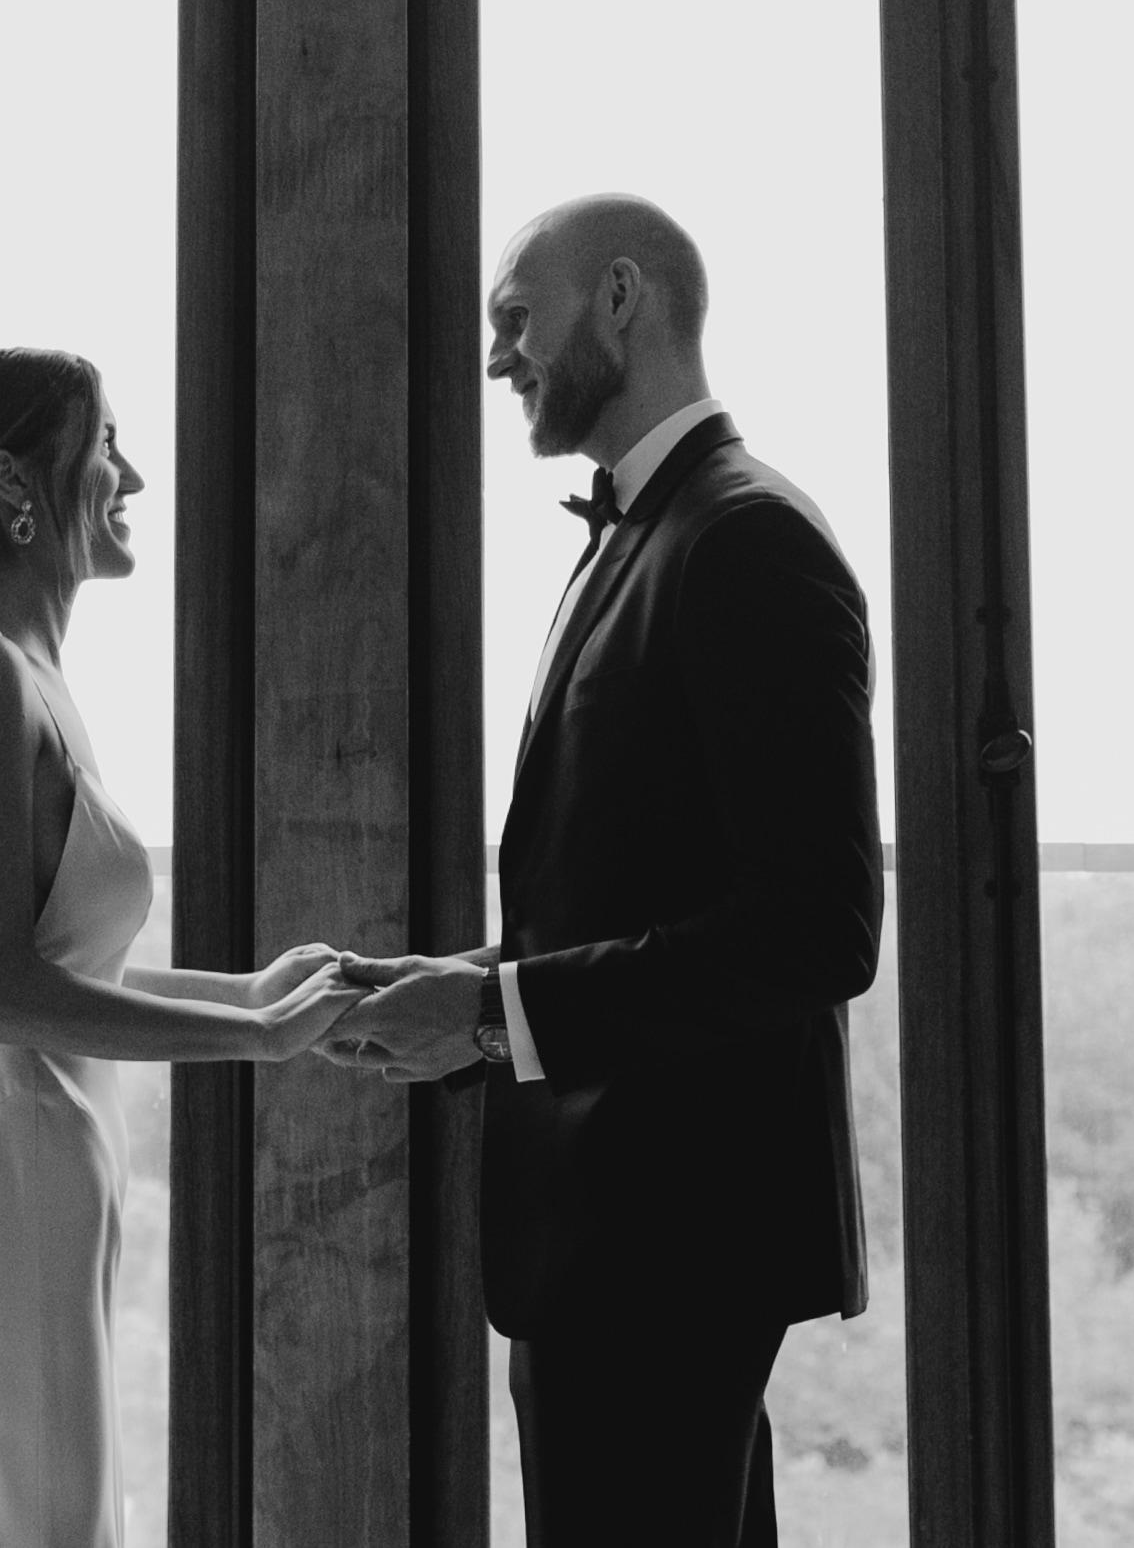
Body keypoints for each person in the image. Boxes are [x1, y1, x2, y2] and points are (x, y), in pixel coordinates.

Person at [329, 197, 883, 1548]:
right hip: (615, 1235)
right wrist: (463, 982)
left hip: (670, 1237)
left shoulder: (747, 537)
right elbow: (634, 889)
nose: (496, 357)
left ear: (621, 296)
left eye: (515, 317)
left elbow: (817, 928)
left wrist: (490, 1014)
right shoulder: (646, 533)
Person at [0, 344, 356, 1548]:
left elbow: (59, 963)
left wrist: (247, 988)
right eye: (103, 445)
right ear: (11, 480)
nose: (129, 475)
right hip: (14, 1171)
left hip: (54, 1160)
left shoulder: (28, 674)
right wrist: (255, 1036)